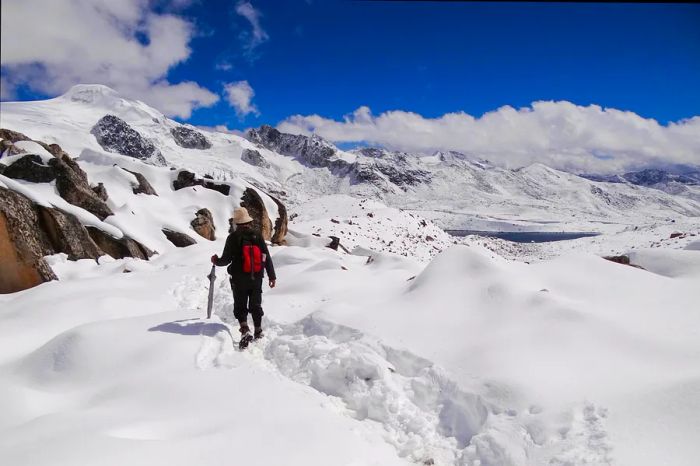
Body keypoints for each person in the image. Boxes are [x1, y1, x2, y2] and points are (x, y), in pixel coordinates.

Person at [211, 207, 276, 348]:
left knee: (240, 305)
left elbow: (226, 260)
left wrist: (216, 261)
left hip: (239, 278)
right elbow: (266, 256)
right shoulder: (257, 235)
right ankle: (258, 330)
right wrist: (272, 276)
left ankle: (245, 329)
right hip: (257, 277)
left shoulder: (233, 237)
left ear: (236, 223)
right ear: (248, 221)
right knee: (255, 303)